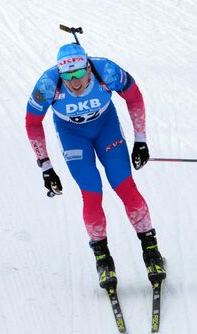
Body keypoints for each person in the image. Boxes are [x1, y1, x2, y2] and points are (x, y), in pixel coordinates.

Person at [25, 43, 166, 289]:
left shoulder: (107, 70)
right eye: (68, 76)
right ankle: (103, 260)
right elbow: (32, 123)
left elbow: (134, 97)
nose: (75, 82)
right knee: (92, 194)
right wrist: (45, 166)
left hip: (106, 128)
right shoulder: (48, 84)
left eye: (79, 74)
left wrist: (141, 141)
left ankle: (151, 252)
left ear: (88, 68)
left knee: (125, 187)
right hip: (72, 136)